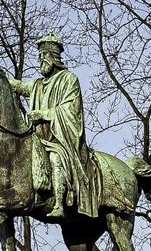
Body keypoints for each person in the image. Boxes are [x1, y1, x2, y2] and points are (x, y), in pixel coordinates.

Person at [10, 33, 99, 219]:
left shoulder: (69, 79)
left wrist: (42, 114)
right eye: (39, 56)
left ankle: (59, 203)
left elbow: (71, 109)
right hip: (37, 138)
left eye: (44, 56)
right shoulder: (38, 84)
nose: (41, 60)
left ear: (54, 57)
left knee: (55, 158)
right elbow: (18, 86)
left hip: (59, 139)